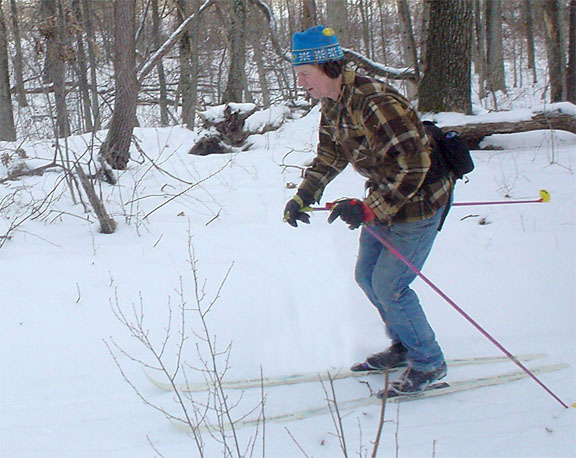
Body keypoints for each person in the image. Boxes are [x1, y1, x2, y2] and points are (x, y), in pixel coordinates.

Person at [283, 25, 454, 395]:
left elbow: (414, 165)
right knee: (367, 277)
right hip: (384, 202)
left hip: (418, 205)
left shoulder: (376, 101)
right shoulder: (333, 103)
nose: (301, 84)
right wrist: (304, 194)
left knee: (390, 286)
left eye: (304, 75)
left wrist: (369, 208)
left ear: (326, 67)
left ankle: (429, 362)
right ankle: (404, 344)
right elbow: (330, 154)